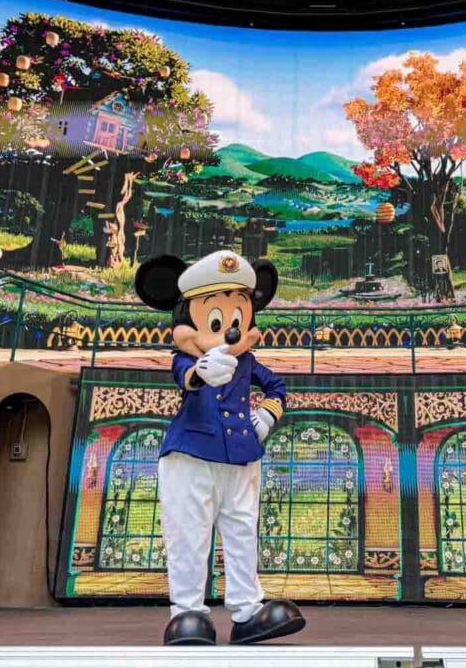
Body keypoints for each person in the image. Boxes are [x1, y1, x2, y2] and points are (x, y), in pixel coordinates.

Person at [135, 250, 305, 646]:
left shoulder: (248, 363)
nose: (228, 331)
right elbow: (187, 378)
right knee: (189, 533)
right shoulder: (182, 358)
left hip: (242, 457)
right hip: (191, 454)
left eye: (235, 320)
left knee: (243, 532)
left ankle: (248, 610)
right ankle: (188, 610)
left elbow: (276, 387)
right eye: (216, 320)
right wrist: (201, 372)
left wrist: (265, 416)